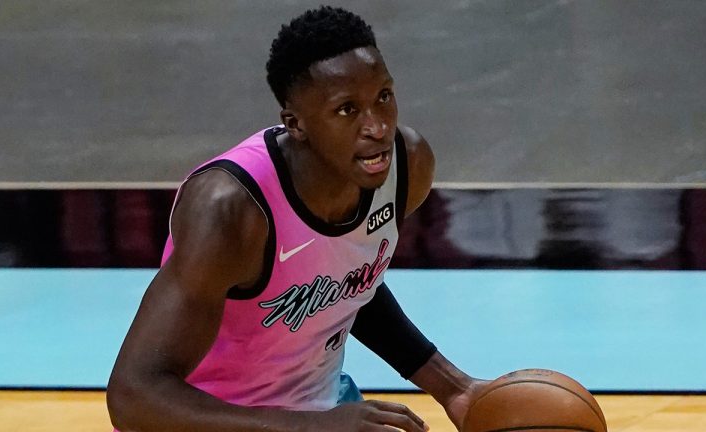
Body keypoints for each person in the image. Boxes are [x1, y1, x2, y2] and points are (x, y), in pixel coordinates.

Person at [107, 6, 488, 431]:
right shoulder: (231, 211)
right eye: (347, 110)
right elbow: (133, 396)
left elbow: (343, 285)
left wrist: (455, 388)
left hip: (318, 405)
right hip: (210, 420)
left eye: (383, 96)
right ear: (296, 124)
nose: (378, 127)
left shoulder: (406, 166)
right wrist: (309, 428)